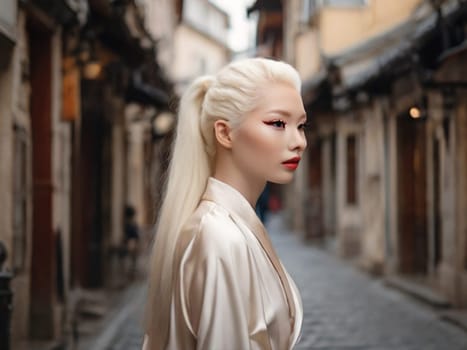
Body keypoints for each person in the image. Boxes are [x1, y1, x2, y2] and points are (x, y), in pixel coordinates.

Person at [143, 57, 307, 350]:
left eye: (301, 125)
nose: (299, 141)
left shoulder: (230, 225)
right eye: (278, 123)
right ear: (225, 133)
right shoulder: (219, 236)